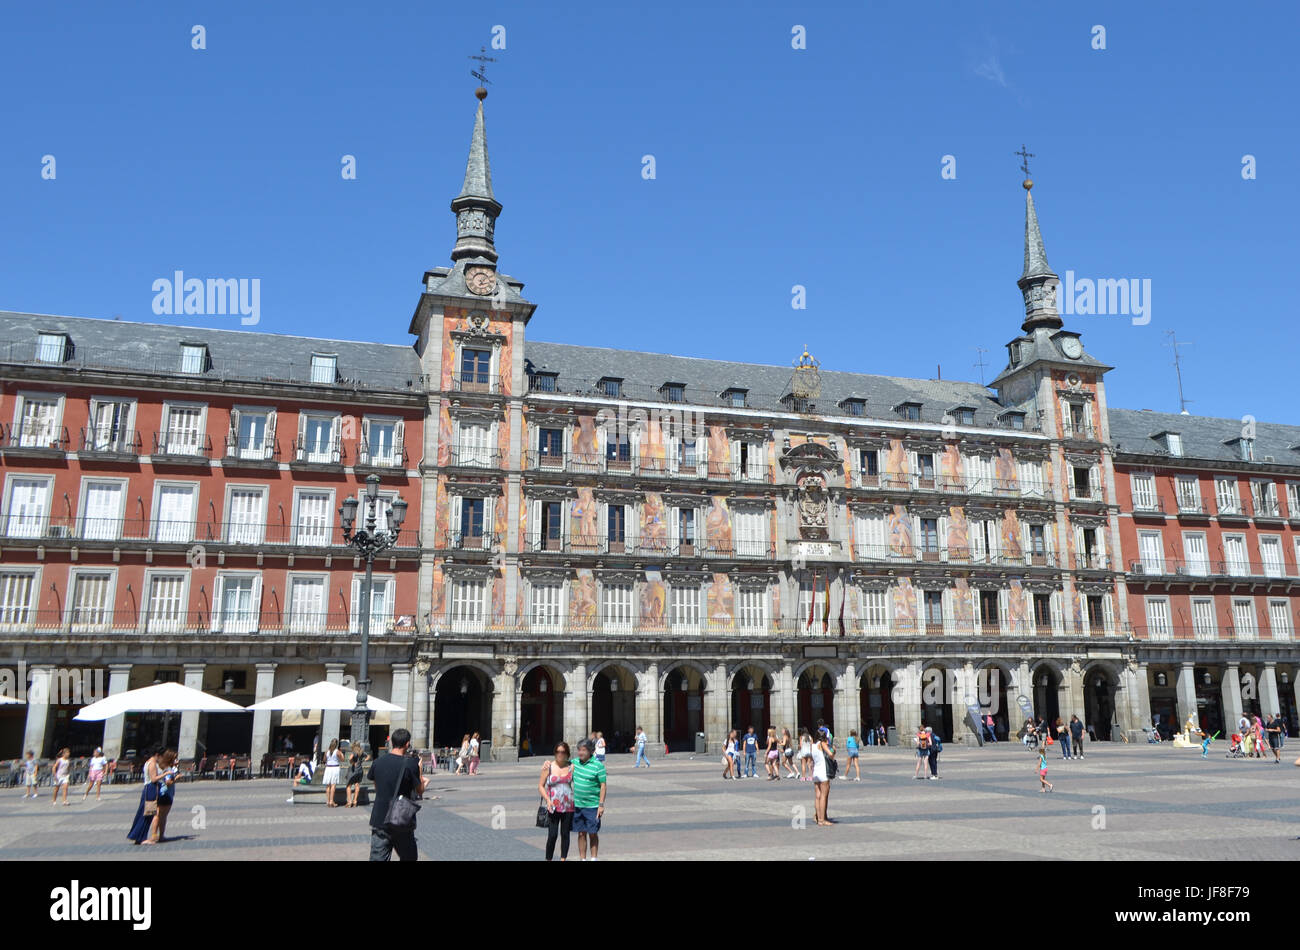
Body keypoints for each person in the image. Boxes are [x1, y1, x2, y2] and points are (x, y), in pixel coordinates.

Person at [367, 728, 427, 861]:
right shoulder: (411, 764)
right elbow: (420, 790)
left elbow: (378, 789)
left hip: (380, 818)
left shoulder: (377, 762)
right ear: (407, 744)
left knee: (377, 858)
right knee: (409, 857)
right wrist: (420, 770)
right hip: (401, 819)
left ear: (392, 743)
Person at [538, 741, 575, 861]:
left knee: (565, 835)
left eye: (563, 752)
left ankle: (563, 858)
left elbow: (584, 759)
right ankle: (548, 859)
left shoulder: (572, 766)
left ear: (567, 754)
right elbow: (540, 786)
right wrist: (548, 800)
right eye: (558, 752)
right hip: (553, 806)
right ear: (555, 753)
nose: (560, 754)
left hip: (568, 806)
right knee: (552, 835)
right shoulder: (548, 767)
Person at [571, 738, 607, 861]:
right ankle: (582, 859)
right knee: (581, 833)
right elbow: (559, 764)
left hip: (592, 806)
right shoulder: (574, 763)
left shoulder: (598, 766)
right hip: (578, 805)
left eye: (583, 750)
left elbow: (603, 785)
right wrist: (548, 763)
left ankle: (593, 858)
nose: (580, 753)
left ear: (591, 751)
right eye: (579, 750)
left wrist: (601, 804)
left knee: (593, 833)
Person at [127, 751, 163, 844]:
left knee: (148, 813)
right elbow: (153, 778)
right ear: (157, 754)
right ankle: (141, 837)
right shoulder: (152, 763)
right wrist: (165, 774)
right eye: (161, 756)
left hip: (150, 788)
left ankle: (139, 836)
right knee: (147, 812)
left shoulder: (149, 762)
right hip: (151, 788)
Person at [153, 750, 179, 840]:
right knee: (163, 816)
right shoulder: (169, 769)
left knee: (157, 814)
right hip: (167, 794)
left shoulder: (161, 767)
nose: (176, 760)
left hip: (160, 792)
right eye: (175, 758)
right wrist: (176, 778)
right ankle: (161, 836)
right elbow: (168, 782)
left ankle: (154, 835)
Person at [810, 727, 834, 826]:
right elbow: (831, 755)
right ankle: (822, 819)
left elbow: (812, 760)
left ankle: (817, 818)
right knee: (824, 796)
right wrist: (833, 750)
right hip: (823, 772)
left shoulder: (813, 745)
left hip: (816, 772)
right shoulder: (822, 744)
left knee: (817, 796)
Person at [322, 739, 344, 807]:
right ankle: (332, 801)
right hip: (335, 768)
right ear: (336, 744)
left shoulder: (327, 752)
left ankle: (328, 801)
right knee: (333, 785)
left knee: (328, 785)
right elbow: (342, 759)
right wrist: (342, 754)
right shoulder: (337, 752)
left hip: (328, 768)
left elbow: (324, 760)